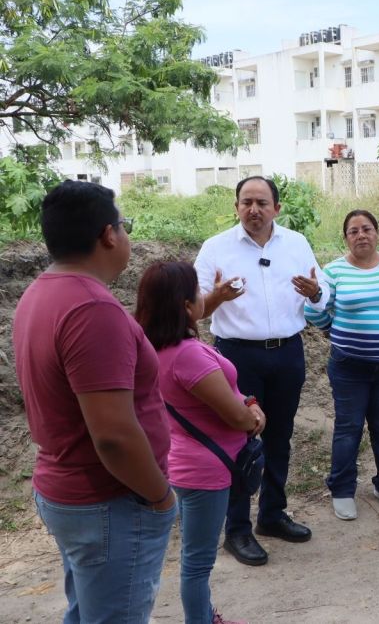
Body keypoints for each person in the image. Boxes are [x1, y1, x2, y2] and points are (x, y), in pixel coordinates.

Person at [13, 181, 176, 622]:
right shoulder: (91, 309)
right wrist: (161, 497)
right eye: (125, 226)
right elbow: (114, 436)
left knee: (87, 612)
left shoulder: (42, 291)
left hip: (73, 492)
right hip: (109, 500)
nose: (126, 236)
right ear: (108, 235)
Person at [194, 176, 327, 566]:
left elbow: (322, 293)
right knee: (239, 439)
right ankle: (236, 529)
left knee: (279, 436)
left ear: (277, 208)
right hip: (236, 356)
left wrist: (316, 293)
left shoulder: (296, 243)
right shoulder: (215, 248)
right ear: (236, 207)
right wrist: (218, 296)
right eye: (246, 202)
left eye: (262, 203)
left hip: (288, 352)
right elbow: (194, 309)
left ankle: (272, 514)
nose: (254, 210)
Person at [136, 261, 267, 624]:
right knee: (197, 563)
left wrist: (248, 401)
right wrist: (254, 415)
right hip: (206, 472)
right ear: (184, 305)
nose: (202, 296)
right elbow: (235, 416)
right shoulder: (187, 355)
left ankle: (205, 616)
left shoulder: (156, 347)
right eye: (197, 291)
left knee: (194, 558)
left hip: (185, 461)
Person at [305, 209, 379, 520]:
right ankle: (342, 489)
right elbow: (314, 311)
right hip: (348, 366)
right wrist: (336, 329)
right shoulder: (333, 272)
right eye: (353, 231)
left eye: (366, 229)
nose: (361, 235)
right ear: (345, 238)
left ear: (377, 233)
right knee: (349, 428)